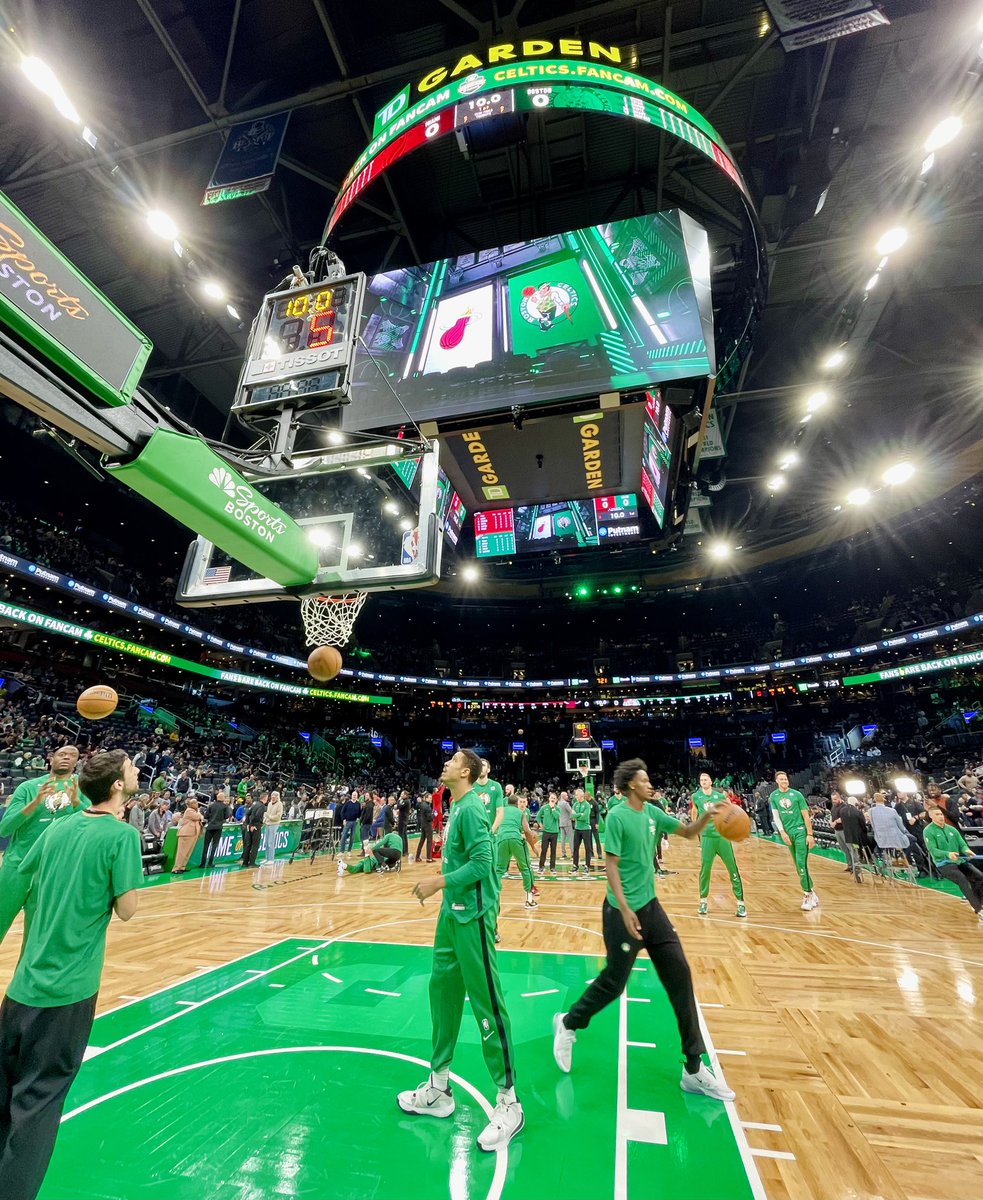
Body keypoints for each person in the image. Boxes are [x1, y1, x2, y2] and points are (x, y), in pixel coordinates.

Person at [0, 749, 142, 1200]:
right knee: (36, 1109)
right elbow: (127, 910)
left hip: (21, 991)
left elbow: (25, 867)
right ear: (117, 785)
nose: (137, 772)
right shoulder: (122, 836)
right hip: (67, 993)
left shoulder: (60, 826)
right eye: (132, 769)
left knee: (3, 1103)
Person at [551, 758, 734, 1101]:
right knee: (613, 983)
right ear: (631, 785)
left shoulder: (653, 813)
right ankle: (568, 1023)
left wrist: (709, 815)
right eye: (645, 780)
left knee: (680, 974)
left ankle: (694, 1068)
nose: (651, 784)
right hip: (622, 912)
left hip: (652, 909)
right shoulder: (618, 816)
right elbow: (611, 866)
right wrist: (623, 909)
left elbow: (688, 832)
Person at [397, 748, 522, 1152]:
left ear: (465, 771)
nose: (445, 763)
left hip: (473, 916)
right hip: (451, 917)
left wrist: (440, 881)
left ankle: (509, 1102)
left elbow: (484, 864)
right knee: (443, 996)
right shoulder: (457, 806)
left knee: (486, 1004)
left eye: (451, 761)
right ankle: (438, 1089)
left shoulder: (470, 810)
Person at [0, 744, 85, 946]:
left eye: (72, 755)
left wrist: (76, 803)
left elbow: (91, 824)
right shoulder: (28, 787)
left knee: (35, 937)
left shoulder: (82, 789)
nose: (67, 758)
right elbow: (4, 828)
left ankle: (25, 978)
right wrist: (35, 803)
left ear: (77, 762)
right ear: (51, 758)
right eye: (62, 754)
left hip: (53, 870)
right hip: (18, 865)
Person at [691, 772, 746, 918]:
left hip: (722, 837)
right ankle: (703, 901)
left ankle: (741, 903)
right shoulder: (696, 796)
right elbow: (694, 811)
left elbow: (731, 810)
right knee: (705, 870)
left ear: (711, 781)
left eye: (706, 779)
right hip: (707, 838)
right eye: (701, 779)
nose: (703, 781)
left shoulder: (720, 796)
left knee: (732, 867)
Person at [770, 771, 819, 910]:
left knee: (800, 862)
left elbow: (806, 815)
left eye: (786, 779)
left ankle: (807, 894)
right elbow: (776, 816)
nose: (784, 781)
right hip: (788, 833)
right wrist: (782, 832)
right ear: (777, 781)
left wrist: (810, 834)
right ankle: (812, 892)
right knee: (799, 866)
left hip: (800, 832)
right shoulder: (774, 796)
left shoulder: (797, 795)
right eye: (781, 779)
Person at [924, 806, 983, 919]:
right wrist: (948, 854)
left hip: (959, 861)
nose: (940, 816)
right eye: (937, 814)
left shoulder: (952, 829)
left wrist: (966, 850)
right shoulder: (928, 831)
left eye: (941, 814)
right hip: (944, 864)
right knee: (963, 880)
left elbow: (962, 844)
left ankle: (978, 901)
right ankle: (978, 909)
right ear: (931, 816)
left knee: (979, 877)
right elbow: (933, 850)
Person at [496, 796, 539, 909]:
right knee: (525, 868)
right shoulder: (520, 813)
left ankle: (493, 898)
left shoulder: (502, 810)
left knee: (498, 870)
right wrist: (533, 847)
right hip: (515, 838)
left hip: (501, 838)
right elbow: (527, 831)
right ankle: (529, 900)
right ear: (516, 804)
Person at [339, 830, 403, 875]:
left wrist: (372, 849)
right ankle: (344, 866)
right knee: (366, 870)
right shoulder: (400, 839)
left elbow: (381, 843)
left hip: (367, 861)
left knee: (356, 869)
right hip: (397, 855)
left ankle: (345, 866)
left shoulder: (389, 835)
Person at [199, 789, 231, 868]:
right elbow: (227, 816)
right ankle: (210, 863)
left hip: (210, 827)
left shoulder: (211, 805)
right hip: (218, 827)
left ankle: (202, 863)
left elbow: (206, 816)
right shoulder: (225, 806)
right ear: (222, 798)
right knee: (214, 846)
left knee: (206, 845)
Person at [172, 796, 204, 873]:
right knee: (182, 852)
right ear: (190, 804)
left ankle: (182, 866)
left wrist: (200, 815)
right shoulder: (189, 811)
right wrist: (199, 813)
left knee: (188, 852)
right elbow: (198, 817)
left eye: (196, 802)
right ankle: (176, 868)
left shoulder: (194, 811)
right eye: (194, 803)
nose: (196, 804)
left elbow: (202, 817)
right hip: (186, 834)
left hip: (193, 834)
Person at [474, 758, 505, 835]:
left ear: (488, 770)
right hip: (474, 832)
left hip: (492, 832)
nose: (480, 767)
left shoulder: (496, 786)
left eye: (483, 765)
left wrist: (491, 831)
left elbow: (500, 812)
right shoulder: (469, 786)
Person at [241, 791, 266, 868]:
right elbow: (257, 816)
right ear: (265, 798)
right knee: (255, 845)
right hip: (255, 828)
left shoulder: (254, 804)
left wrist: (248, 824)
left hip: (249, 827)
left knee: (248, 845)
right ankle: (252, 863)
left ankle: (245, 862)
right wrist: (252, 825)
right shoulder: (262, 806)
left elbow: (247, 813)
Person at [571, 787, 593, 874]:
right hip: (577, 829)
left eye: (576, 795)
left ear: (581, 795)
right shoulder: (575, 804)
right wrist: (580, 814)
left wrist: (576, 815)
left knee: (588, 848)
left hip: (586, 829)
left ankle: (587, 866)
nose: (575, 796)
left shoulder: (587, 805)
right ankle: (575, 866)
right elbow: (571, 816)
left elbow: (585, 817)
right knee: (575, 848)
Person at [538, 792, 560, 877]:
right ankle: (541, 866)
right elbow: (538, 816)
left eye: (554, 798)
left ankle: (552, 867)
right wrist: (540, 824)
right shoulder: (544, 808)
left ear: (556, 800)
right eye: (551, 797)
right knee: (544, 850)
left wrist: (553, 808)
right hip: (546, 832)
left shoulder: (558, 809)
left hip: (554, 832)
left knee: (553, 851)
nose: (552, 799)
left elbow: (557, 817)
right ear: (549, 798)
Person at [264, 789, 284, 864]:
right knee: (266, 842)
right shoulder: (269, 804)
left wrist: (269, 817)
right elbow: (267, 814)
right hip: (267, 824)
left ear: (277, 797)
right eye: (272, 796)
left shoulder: (280, 804)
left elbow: (278, 816)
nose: (272, 797)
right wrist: (266, 819)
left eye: (274, 796)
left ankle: (271, 859)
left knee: (270, 842)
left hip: (274, 824)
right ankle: (266, 858)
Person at [415, 794, 434, 863]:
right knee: (429, 842)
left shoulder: (422, 805)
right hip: (428, 826)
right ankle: (429, 858)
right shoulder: (428, 807)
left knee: (421, 841)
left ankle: (417, 857)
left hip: (423, 825)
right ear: (426, 798)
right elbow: (429, 818)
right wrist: (433, 815)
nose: (431, 799)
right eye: (429, 798)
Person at [558, 791, 574, 860]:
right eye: (566, 796)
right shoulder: (565, 804)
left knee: (563, 839)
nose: (567, 797)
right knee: (571, 838)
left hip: (561, 823)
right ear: (564, 796)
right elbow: (571, 811)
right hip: (567, 822)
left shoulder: (558, 803)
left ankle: (563, 853)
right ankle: (573, 852)